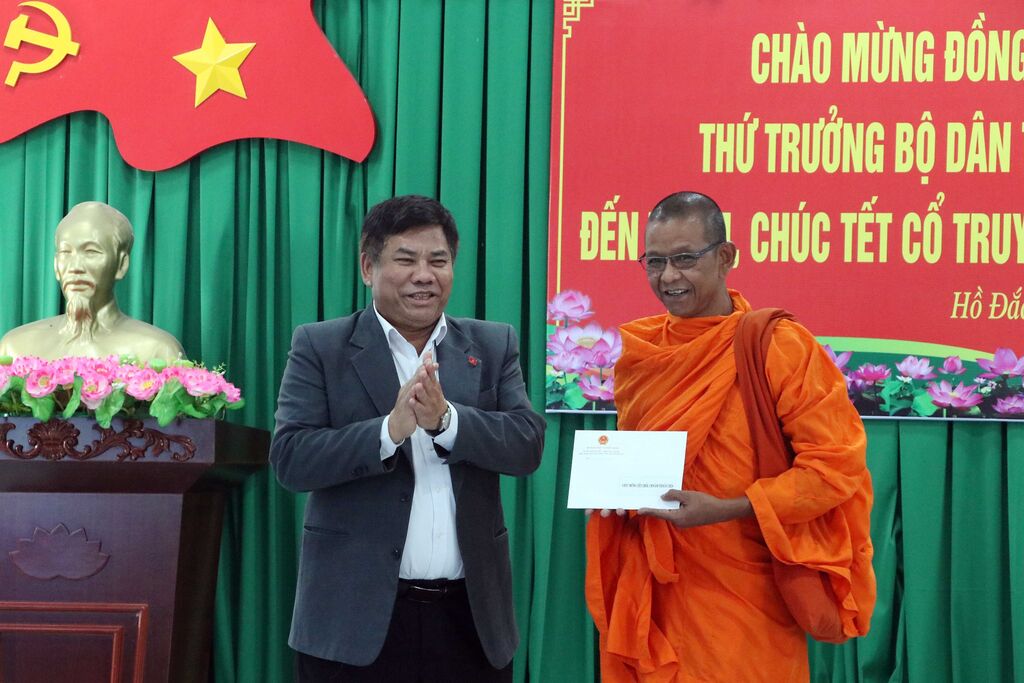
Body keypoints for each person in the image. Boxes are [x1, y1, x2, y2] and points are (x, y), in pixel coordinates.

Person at [585, 191, 875, 682]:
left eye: (684, 259)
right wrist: (616, 494)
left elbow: (835, 468)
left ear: (725, 257)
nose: (668, 277)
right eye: (654, 261)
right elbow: (644, 460)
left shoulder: (776, 346)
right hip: (659, 593)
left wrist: (730, 508)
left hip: (747, 597)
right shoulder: (643, 354)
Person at [271, 195, 545, 682]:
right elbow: (291, 459)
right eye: (405, 260)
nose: (424, 275)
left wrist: (447, 422)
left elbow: (526, 444)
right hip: (353, 621)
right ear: (368, 267)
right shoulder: (321, 345)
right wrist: (388, 431)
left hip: (469, 621)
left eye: (438, 261)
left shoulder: (492, 344)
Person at [0, 201, 183, 363]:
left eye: (91, 252)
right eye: (66, 252)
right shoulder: (15, 349)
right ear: (56, 264)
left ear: (121, 264)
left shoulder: (157, 352)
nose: (75, 267)